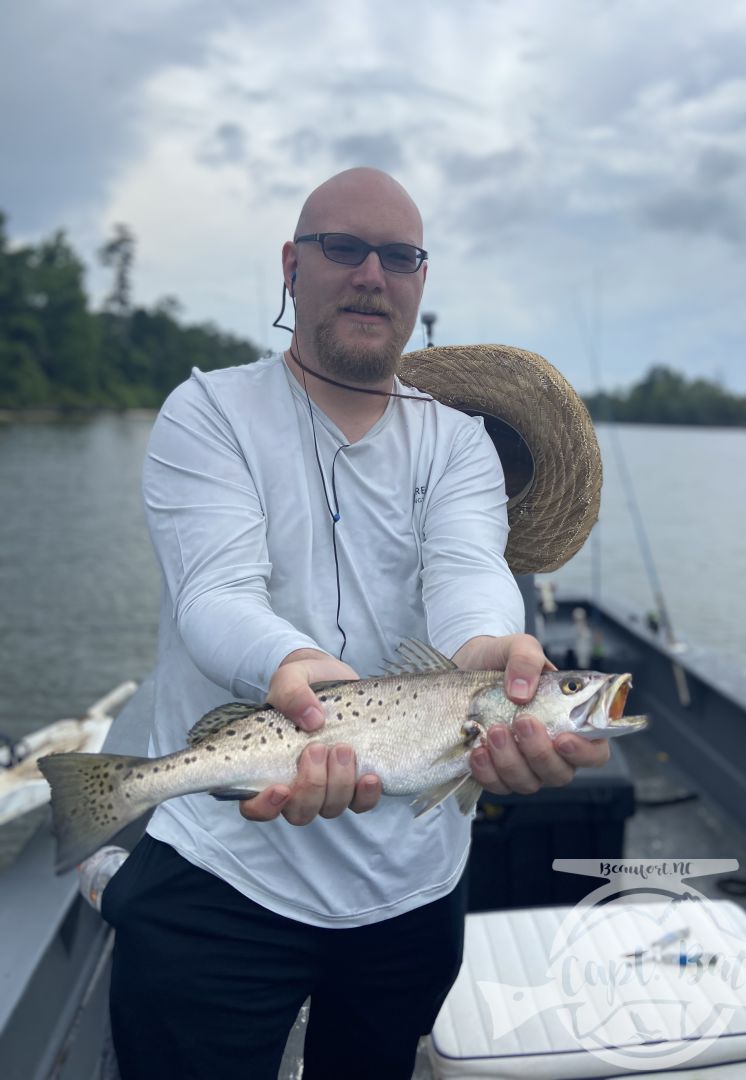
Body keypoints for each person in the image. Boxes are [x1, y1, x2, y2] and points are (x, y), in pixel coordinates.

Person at [101, 167, 609, 1080]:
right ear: (292, 267)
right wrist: (295, 665)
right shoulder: (209, 412)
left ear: (420, 280)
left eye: (400, 255)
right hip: (223, 866)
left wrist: (491, 654)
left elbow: (468, 571)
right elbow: (214, 593)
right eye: (344, 248)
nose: (372, 272)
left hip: (410, 887)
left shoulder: (458, 442)